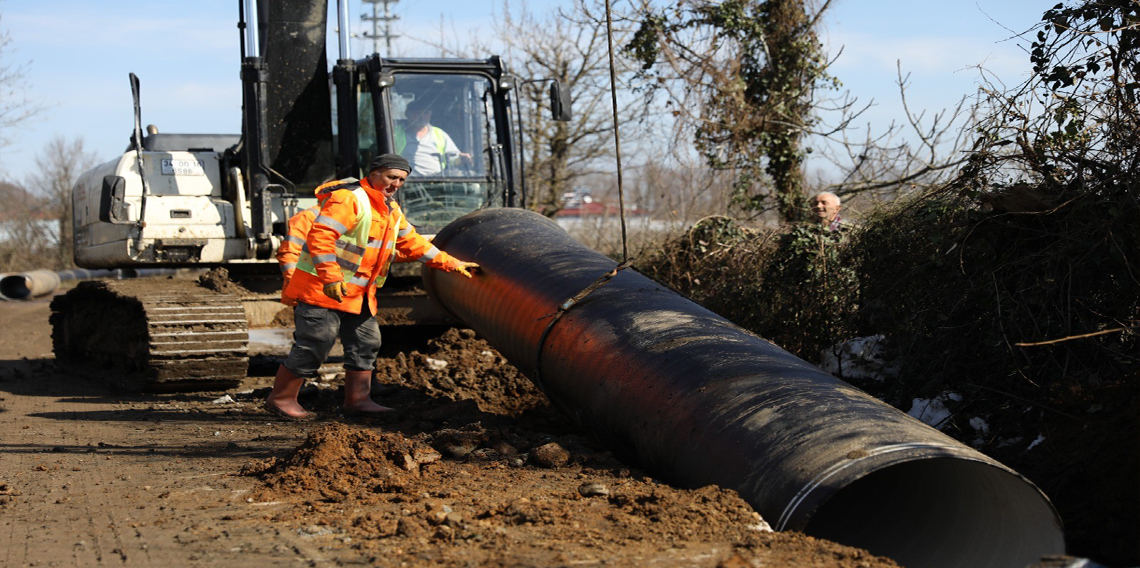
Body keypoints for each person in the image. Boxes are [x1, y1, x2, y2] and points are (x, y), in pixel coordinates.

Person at [264, 154, 480, 420]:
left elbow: (412, 243)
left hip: (359, 294)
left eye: (401, 179)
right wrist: (331, 277)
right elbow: (322, 237)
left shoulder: (390, 209)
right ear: (374, 173)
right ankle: (281, 399)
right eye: (392, 177)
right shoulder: (350, 199)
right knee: (316, 343)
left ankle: (358, 400)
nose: (396, 184)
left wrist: (451, 263)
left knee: (366, 343)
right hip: (322, 288)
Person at [396, 98, 472, 176]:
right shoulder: (395, 133)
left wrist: (462, 159)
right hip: (406, 180)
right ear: (408, 114)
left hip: (437, 179)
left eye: (426, 113)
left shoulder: (439, 134)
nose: (422, 116)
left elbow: (453, 159)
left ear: (430, 115)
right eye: (417, 113)